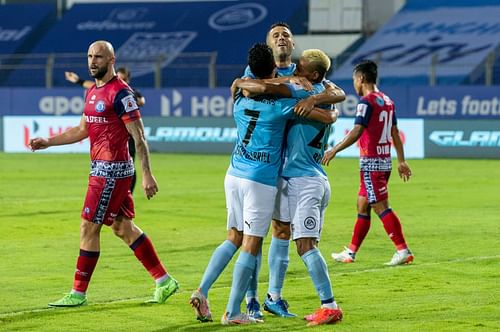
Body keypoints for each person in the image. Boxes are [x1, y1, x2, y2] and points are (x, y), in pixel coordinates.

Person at [190, 43, 335, 325]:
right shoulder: (283, 105)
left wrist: (245, 82)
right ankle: (233, 312)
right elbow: (324, 113)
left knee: (233, 236)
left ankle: (202, 290)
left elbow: (253, 85)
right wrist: (330, 114)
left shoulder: (240, 96)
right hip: (260, 179)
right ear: (272, 68)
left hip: (233, 173)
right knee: (251, 245)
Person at [30, 40, 178, 307]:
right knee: (123, 227)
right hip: (102, 170)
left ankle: (78, 292)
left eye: (98, 56)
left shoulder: (121, 94)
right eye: (89, 56)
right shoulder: (92, 92)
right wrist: (48, 142)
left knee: (88, 226)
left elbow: (140, 137)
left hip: (112, 171)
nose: (92, 61)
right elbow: (81, 130)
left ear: (111, 60)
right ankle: (164, 280)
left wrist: (147, 175)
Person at [241, 21, 346, 319]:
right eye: (275, 35)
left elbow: (337, 94)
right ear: (269, 44)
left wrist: (319, 102)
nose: (281, 38)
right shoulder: (261, 71)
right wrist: (322, 109)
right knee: (258, 233)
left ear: (294, 42)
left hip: (294, 170)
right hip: (266, 164)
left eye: (286, 34)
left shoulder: (305, 74)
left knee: (282, 230)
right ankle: (251, 298)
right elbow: (252, 89)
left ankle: (274, 295)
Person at [322, 60, 414, 266]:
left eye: (355, 79)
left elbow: (357, 130)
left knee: (380, 206)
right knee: (362, 204)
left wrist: (334, 149)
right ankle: (351, 253)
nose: (354, 84)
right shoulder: (387, 100)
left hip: (371, 164)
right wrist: (401, 161)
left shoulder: (366, 102)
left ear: (361, 78)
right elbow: (394, 133)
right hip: (384, 161)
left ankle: (403, 250)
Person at [65, 67, 144, 194]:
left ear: (128, 79)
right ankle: (113, 193)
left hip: (128, 135)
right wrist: (77, 80)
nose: (119, 80)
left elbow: (141, 101)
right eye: (118, 77)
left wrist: (131, 99)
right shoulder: (109, 91)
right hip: (113, 137)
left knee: (129, 165)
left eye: (122, 79)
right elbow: (92, 86)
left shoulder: (129, 92)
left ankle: (129, 193)